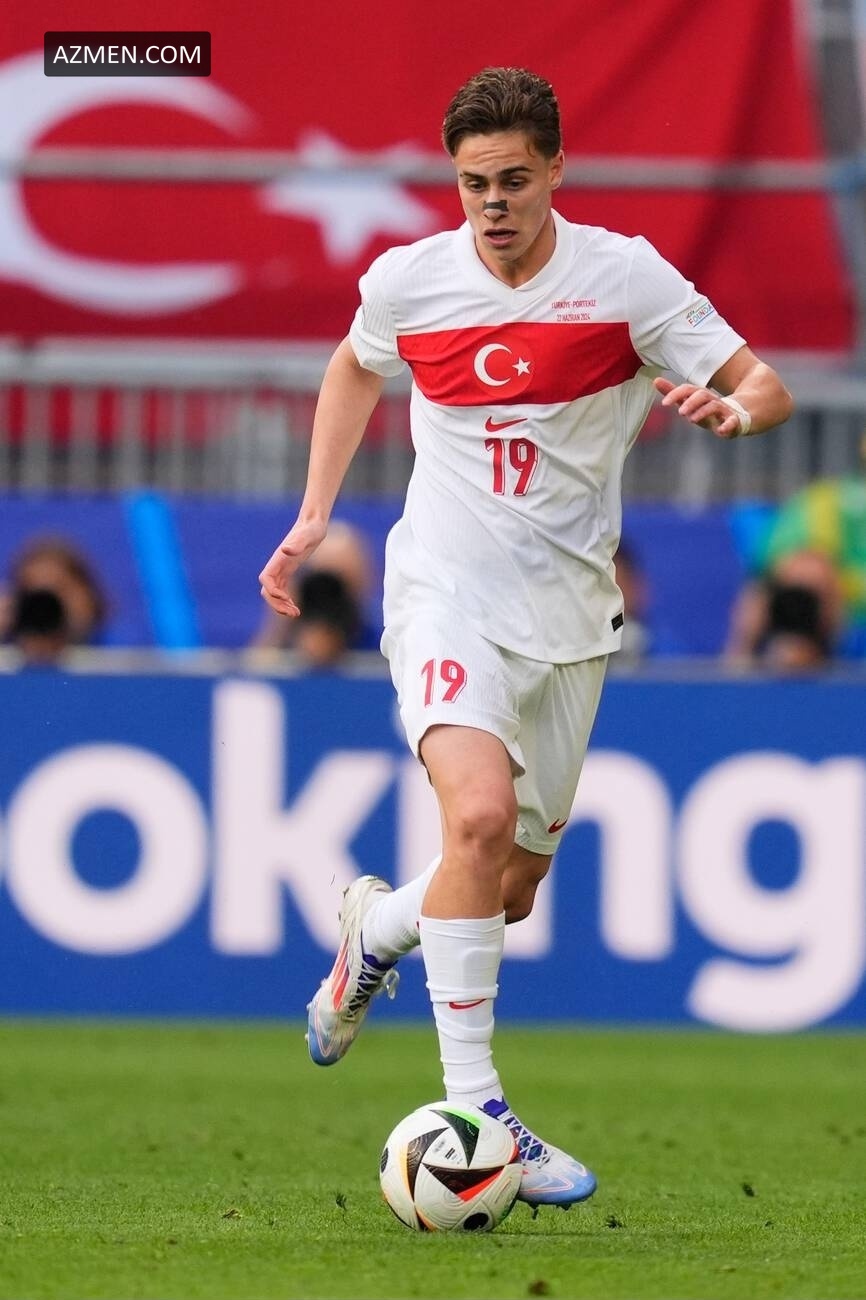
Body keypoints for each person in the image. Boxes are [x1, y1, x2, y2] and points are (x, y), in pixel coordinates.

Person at [259, 66, 794, 1209]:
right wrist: (313, 511)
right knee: (476, 817)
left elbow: (763, 384)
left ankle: (375, 929)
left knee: (501, 890)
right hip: (445, 595)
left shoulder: (624, 279)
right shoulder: (410, 280)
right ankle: (480, 1113)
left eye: (511, 178)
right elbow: (353, 363)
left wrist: (731, 410)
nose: (492, 202)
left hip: (570, 620)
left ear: (554, 168)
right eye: (471, 183)